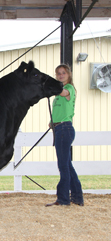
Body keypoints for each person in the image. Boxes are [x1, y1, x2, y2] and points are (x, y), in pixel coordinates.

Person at [46, 64, 84, 207]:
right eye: (58, 73)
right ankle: (77, 197)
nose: (60, 75)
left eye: (63, 73)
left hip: (64, 129)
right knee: (67, 165)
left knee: (63, 166)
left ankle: (63, 199)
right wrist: (52, 122)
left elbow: (63, 93)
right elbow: (60, 111)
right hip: (60, 128)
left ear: (68, 75)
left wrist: (50, 87)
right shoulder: (59, 93)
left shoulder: (68, 89)